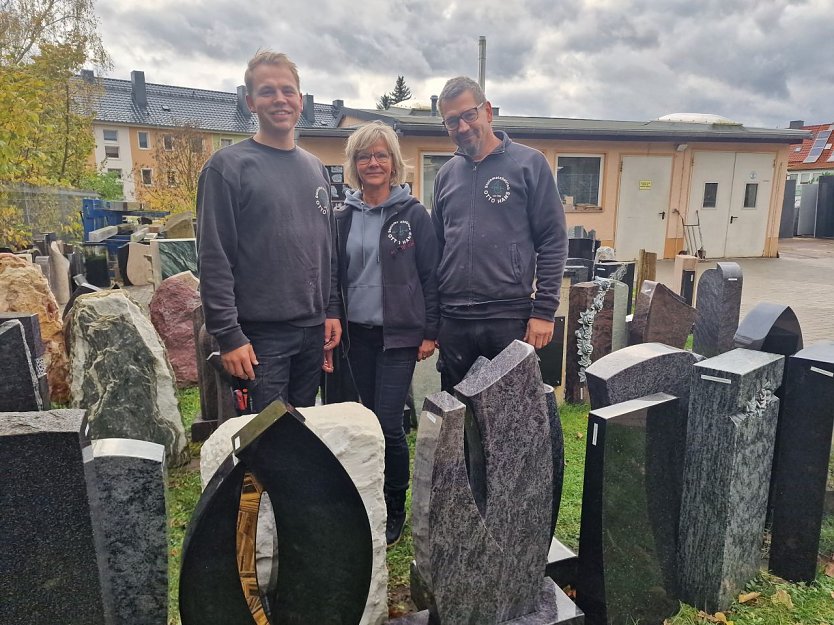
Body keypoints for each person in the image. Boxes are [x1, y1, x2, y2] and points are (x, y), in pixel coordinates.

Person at [197, 50, 341, 411]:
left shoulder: (315, 168)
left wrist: (331, 309)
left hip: (312, 332)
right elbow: (214, 258)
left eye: (288, 90)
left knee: (304, 430)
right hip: (261, 338)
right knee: (266, 442)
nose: (280, 99)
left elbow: (327, 249)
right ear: (250, 101)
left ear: (301, 100)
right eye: (267, 91)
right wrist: (229, 337)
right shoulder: (228, 168)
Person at [336, 121, 439, 547]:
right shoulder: (343, 216)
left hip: (398, 336)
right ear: (355, 165)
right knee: (358, 420)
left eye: (381, 155)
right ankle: (361, 494)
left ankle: (394, 503)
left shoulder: (413, 214)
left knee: (389, 424)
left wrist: (431, 331)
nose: (373, 163)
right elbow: (332, 273)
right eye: (364, 156)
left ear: (393, 163)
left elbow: (431, 276)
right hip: (353, 335)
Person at [432, 76, 568, 392]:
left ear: (488, 112)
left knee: (509, 423)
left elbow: (552, 238)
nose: (462, 127)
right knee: (457, 422)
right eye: (452, 121)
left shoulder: (529, 164)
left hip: (508, 319)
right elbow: (436, 249)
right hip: (454, 321)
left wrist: (544, 311)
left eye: (469, 114)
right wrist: (434, 319)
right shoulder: (446, 176)